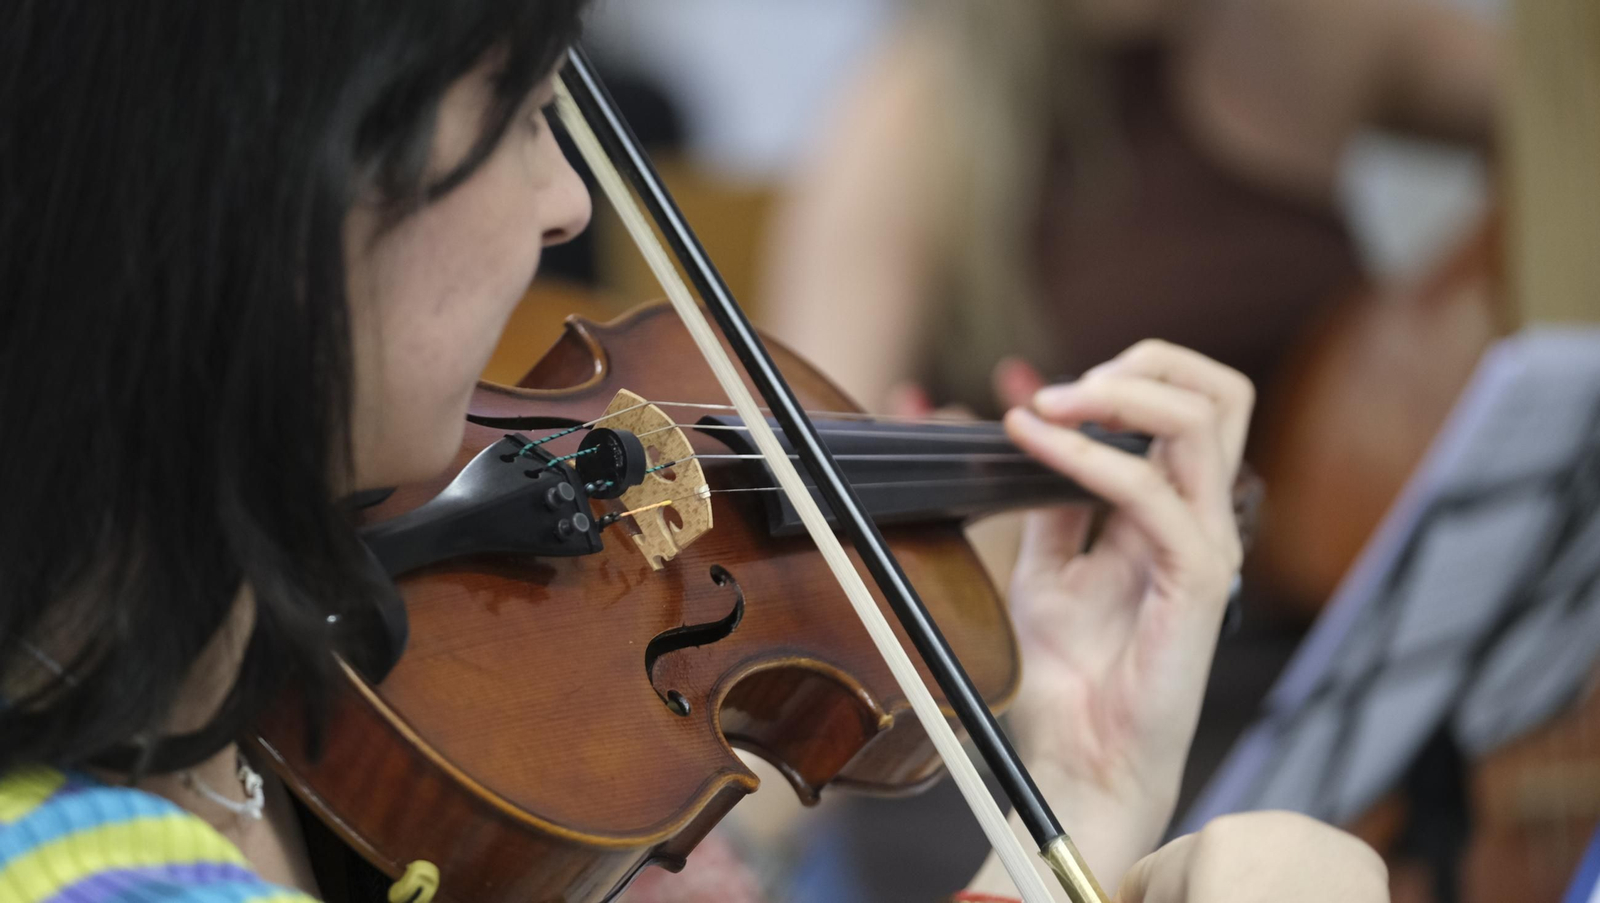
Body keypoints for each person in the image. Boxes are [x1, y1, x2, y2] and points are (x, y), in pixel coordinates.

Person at [0, 3, 1379, 902]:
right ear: (284, 183)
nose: (565, 202)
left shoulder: (237, 712)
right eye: (525, 117)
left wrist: (1088, 777)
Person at [762, 0, 1500, 420]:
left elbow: (1555, 113)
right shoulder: (917, 106)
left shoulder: (1321, 29)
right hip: (1090, 625)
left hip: (1343, 607)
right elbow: (810, 458)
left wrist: (1461, 319)